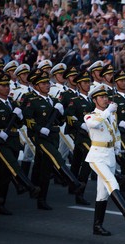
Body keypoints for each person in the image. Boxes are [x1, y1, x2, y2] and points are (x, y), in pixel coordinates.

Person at [23, 70, 82, 210]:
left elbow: (60, 122)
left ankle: (41, 198)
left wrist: (61, 113)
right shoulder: (30, 99)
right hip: (40, 137)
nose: (47, 85)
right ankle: (73, 181)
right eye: (43, 83)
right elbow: (28, 120)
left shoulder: (54, 101)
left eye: (47, 83)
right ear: (36, 85)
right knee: (56, 157)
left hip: (53, 136)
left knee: (45, 167)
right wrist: (39, 129)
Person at [84, 85, 125, 236]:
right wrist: (108, 111)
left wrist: (117, 147)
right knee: (112, 183)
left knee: (102, 194)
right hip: (97, 156)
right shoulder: (90, 115)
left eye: (106, 97)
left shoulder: (111, 115)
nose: (105, 99)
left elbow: (115, 132)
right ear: (94, 100)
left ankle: (97, 226)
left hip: (110, 155)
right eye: (101, 97)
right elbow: (94, 124)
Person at [0, 71, 40, 215]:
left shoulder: (12, 102)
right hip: (0, 140)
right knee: (11, 165)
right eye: (3, 86)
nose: (7, 88)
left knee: (3, 173)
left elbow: (19, 124)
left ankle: (0, 201)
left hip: (13, 139)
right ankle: (27, 185)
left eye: (7, 85)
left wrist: (19, 116)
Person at [65, 71, 95, 206]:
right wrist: (80, 125)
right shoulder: (75, 100)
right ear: (78, 84)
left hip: (90, 135)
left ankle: (72, 185)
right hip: (80, 135)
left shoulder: (90, 99)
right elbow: (69, 116)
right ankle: (79, 192)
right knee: (87, 161)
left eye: (88, 82)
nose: (87, 85)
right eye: (84, 82)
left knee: (76, 161)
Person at [110, 69, 125, 201]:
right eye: (121, 81)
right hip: (118, 134)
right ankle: (118, 189)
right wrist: (119, 123)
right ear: (116, 82)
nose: (124, 83)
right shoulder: (114, 98)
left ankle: (122, 189)